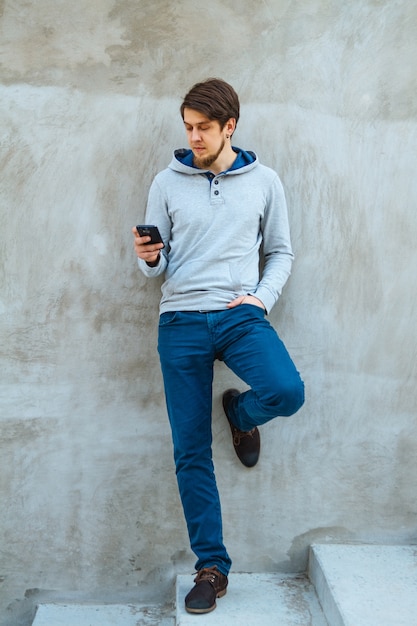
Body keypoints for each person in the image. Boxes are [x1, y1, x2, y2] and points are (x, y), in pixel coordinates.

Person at [132, 78, 304, 614]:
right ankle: (212, 567)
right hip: (180, 319)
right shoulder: (167, 180)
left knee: (286, 390)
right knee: (190, 451)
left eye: (204, 128)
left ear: (230, 127)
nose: (194, 137)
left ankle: (243, 412)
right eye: (188, 127)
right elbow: (150, 267)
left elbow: (280, 252)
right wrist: (149, 257)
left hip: (238, 317)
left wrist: (261, 298)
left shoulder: (264, 181)